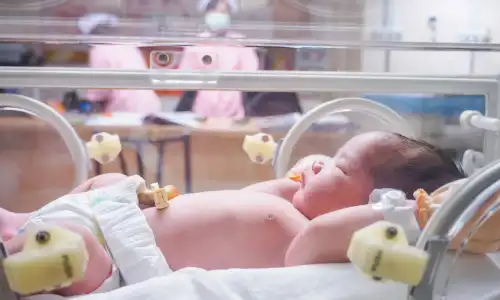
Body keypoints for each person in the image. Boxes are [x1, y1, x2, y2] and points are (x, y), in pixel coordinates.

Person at [0, 131, 464, 296]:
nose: (317, 161)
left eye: (339, 165)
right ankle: (19, 222)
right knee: (98, 185)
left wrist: (401, 215)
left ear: (370, 207)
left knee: (68, 247)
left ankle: (16, 257)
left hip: (114, 257)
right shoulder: (286, 200)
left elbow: (328, 231)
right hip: (111, 209)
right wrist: (319, 172)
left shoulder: (308, 236)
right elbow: (289, 179)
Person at [177, 0, 260, 119]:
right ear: (206, 14)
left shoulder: (240, 42)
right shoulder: (197, 43)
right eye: (213, 11)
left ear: (229, 15)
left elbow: (252, 74)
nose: (217, 15)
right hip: (202, 112)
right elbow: (183, 75)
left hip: (234, 112)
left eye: (222, 11)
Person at [78, 13, 162, 114]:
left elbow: (99, 89)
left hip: (124, 110)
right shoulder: (128, 46)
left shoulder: (99, 49)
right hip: (150, 107)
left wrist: (86, 104)